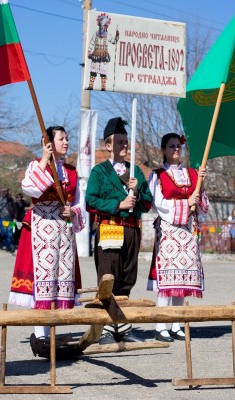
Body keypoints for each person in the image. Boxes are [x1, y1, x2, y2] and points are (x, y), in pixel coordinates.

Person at [8, 126, 84, 357]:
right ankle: (40, 334)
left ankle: (52, 330)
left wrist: (73, 212)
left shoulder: (71, 171)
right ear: (49, 142)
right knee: (44, 279)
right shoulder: (36, 165)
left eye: (67, 138)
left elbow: (79, 203)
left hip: (62, 231)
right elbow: (29, 187)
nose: (66, 142)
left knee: (59, 280)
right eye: (61, 138)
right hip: (41, 229)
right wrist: (44, 159)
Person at [86, 117, 153, 344]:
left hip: (132, 230)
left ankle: (122, 327)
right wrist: (118, 205)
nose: (125, 145)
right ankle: (105, 328)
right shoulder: (99, 172)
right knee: (108, 277)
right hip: (109, 228)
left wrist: (139, 190)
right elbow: (90, 201)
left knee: (127, 276)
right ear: (108, 146)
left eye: (126, 141)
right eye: (120, 142)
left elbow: (147, 204)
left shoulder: (135, 171)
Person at [147, 133, 208, 342]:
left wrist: (201, 185)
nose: (176, 149)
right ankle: (160, 325)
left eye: (178, 146)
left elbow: (202, 205)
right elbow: (159, 203)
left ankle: (176, 323)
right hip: (169, 231)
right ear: (163, 150)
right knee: (167, 278)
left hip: (189, 232)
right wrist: (186, 202)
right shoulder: (157, 175)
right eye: (171, 146)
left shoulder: (192, 173)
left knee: (182, 278)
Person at [85, 12, 119, 91]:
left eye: (103, 26)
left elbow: (114, 41)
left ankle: (103, 87)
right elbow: (91, 43)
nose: (102, 27)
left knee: (103, 72)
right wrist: (89, 52)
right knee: (93, 71)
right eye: (100, 25)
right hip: (96, 54)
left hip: (103, 55)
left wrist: (117, 35)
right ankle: (91, 85)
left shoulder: (107, 35)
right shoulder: (95, 34)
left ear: (105, 26)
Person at [0, 188, 15, 252]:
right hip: (2, 218)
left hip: (10, 218)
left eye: (5, 191)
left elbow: (14, 209)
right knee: (4, 232)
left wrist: (15, 217)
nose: (3, 192)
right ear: (0, 192)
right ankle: (8, 245)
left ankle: (10, 246)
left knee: (10, 232)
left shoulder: (10, 199)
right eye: (2, 191)